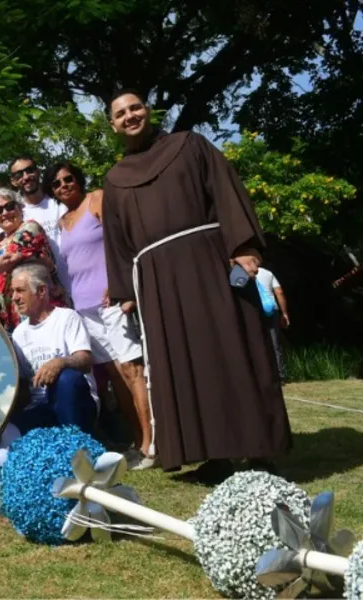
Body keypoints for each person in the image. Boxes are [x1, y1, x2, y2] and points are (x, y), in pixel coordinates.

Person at [102, 89, 290, 480]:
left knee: (235, 351)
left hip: (211, 265)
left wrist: (243, 247)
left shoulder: (190, 145)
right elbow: (117, 239)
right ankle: (212, 456)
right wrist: (125, 292)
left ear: (148, 111)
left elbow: (226, 191)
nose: (130, 116)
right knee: (184, 364)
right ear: (112, 125)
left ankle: (259, 451)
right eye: (121, 113)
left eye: (135, 107)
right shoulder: (115, 180)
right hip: (158, 284)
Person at [44, 162, 152, 469]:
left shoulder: (97, 198)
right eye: (56, 183)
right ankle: (136, 441)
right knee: (115, 378)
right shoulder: (63, 222)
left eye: (68, 179)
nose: (64, 185)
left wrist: (121, 284)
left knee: (133, 370)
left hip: (111, 300)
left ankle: (151, 443)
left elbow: (123, 240)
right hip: (83, 308)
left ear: (78, 179)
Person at [0, 188, 68, 331]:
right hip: (17, 322)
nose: (4, 213)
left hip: (44, 313)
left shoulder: (30, 228)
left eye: (9, 206)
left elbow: (9, 259)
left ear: (20, 207)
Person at [8, 265, 98, 435]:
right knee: (8, 428)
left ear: (41, 291)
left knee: (66, 378)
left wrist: (60, 362)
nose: (14, 298)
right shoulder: (19, 334)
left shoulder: (66, 317)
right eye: (13, 292)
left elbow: (85, 360)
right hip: (42, 408)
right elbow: (24, 390)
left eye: (20, 291)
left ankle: (78, 447)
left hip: (75, 402)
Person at [9, 155, 67, 248]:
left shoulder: (60, 199)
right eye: (19, 175)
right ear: (13, 181)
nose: (26, 177)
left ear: (38, 171)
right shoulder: (15, 213)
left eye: (30, 170)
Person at [255, 266, 289, 382]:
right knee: (274, 343)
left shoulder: (241, 272)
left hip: (254, 310)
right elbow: (279, 292)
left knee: (257, 342)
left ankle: (261, 375)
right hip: (271, 310)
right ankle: (280, 376)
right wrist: (284, 313)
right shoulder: (268, 273)